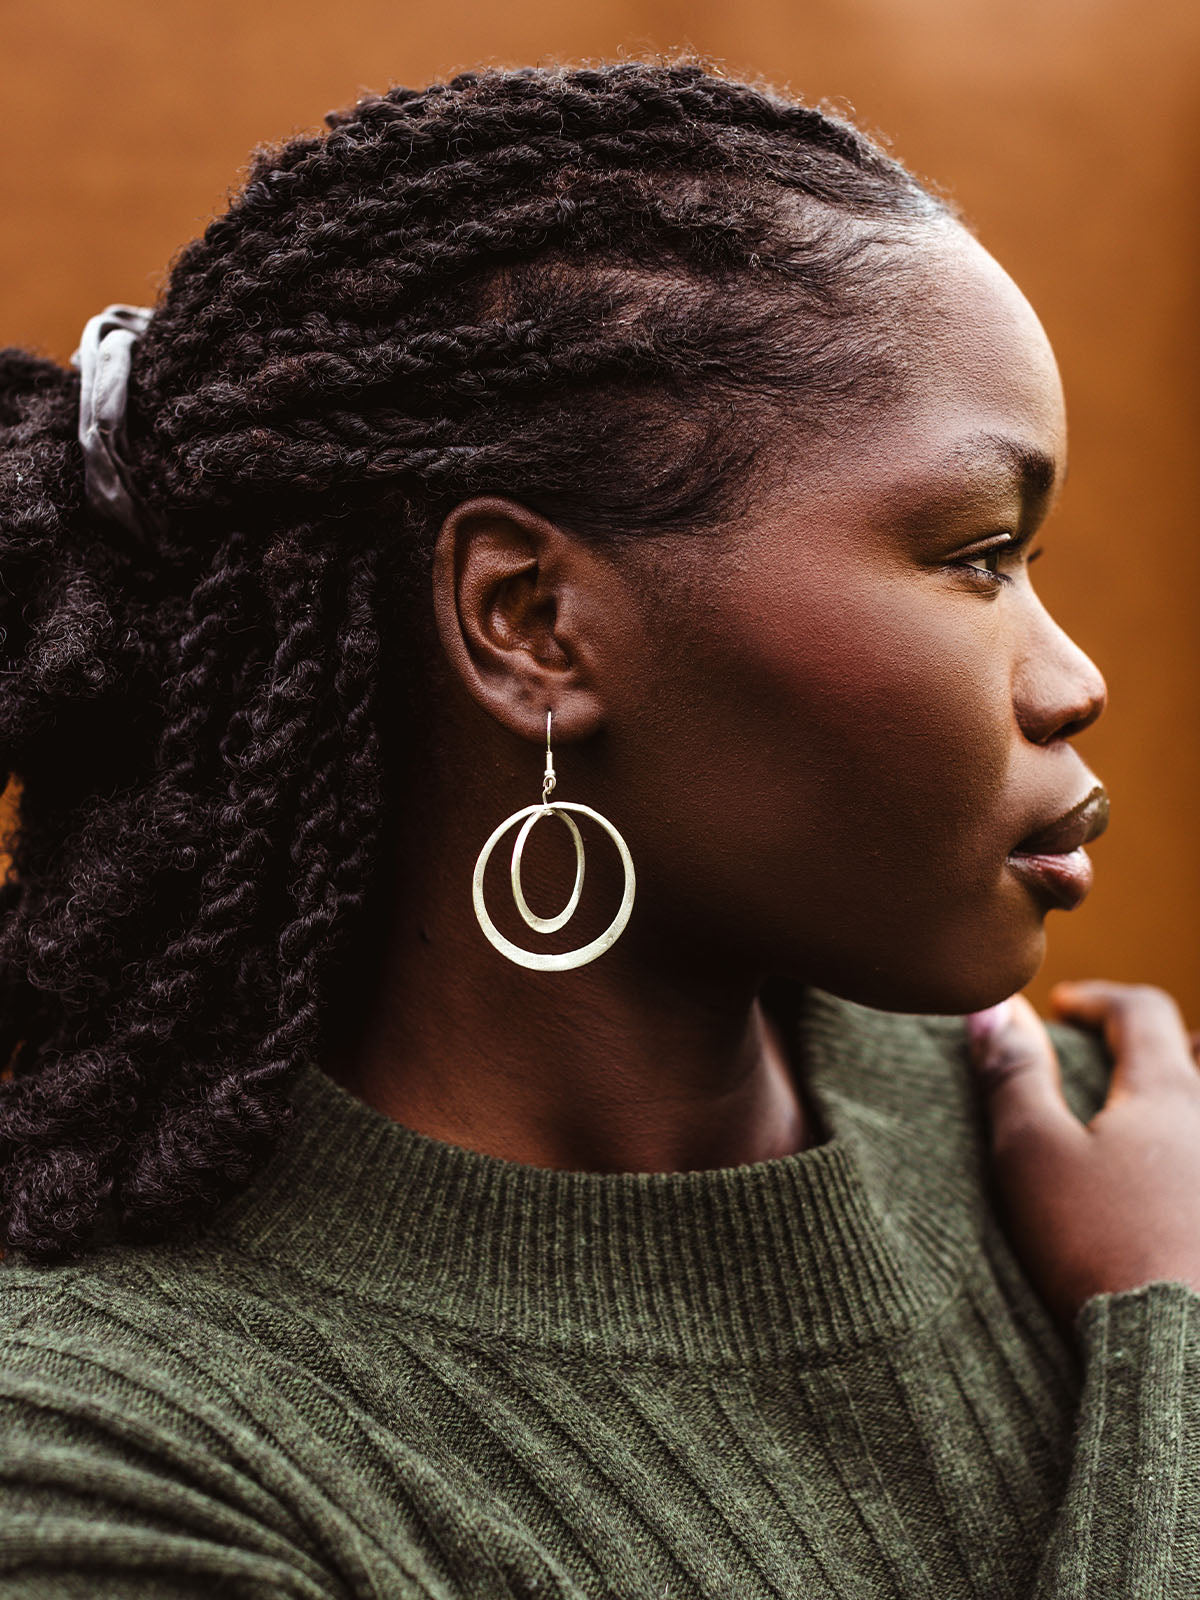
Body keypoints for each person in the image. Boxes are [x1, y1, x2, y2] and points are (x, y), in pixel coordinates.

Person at [0, 57, 1196, 1599]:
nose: (1074, 679)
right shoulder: (112, 1453)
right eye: (976, 555)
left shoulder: (1084, 1149)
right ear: (532, 623)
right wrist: (1164, 1342)